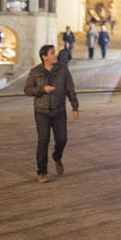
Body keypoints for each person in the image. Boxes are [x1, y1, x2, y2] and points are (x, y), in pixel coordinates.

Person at [23, 44, 79, 183]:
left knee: (62, 139)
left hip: (59, 110)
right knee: (43, 141)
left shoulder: (63, 69)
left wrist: (74, 106)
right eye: (52, 53)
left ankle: (57, 156)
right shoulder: (35, 72)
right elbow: (27, 90)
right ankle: (42, 172)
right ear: (44, 57)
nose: (56, 55)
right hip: (42, 112)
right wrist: (42, 89)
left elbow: (70, 88)